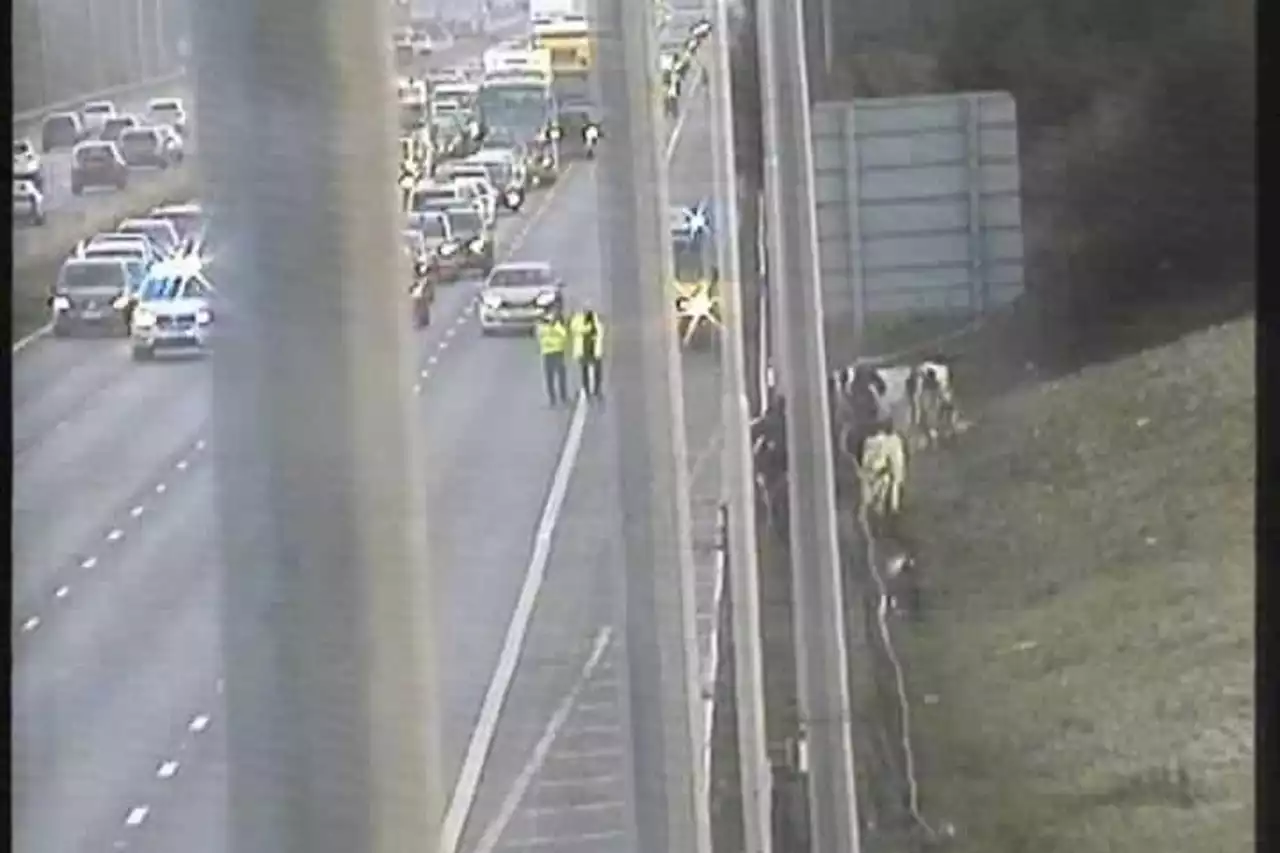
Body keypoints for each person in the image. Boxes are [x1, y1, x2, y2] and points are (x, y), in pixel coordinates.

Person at [535, 308, 571, 406]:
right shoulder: (542, 327)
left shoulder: (558, 327)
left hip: (557, 352)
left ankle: (563, 397)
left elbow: (565, 335)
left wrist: (555, 327)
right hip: (548, 353)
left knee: (560, 377)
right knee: (549, 378)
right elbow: (540, 337)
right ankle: (552, 399)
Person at [570, 304, 605, 400]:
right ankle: (587, 391)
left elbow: (600, 330)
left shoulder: (595, 318)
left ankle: (597, 391)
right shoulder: (578, 318)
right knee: (584, 371)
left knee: (598, 371)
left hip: (594, 348)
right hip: (583, 349)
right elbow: (575, 329)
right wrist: (588, 327)